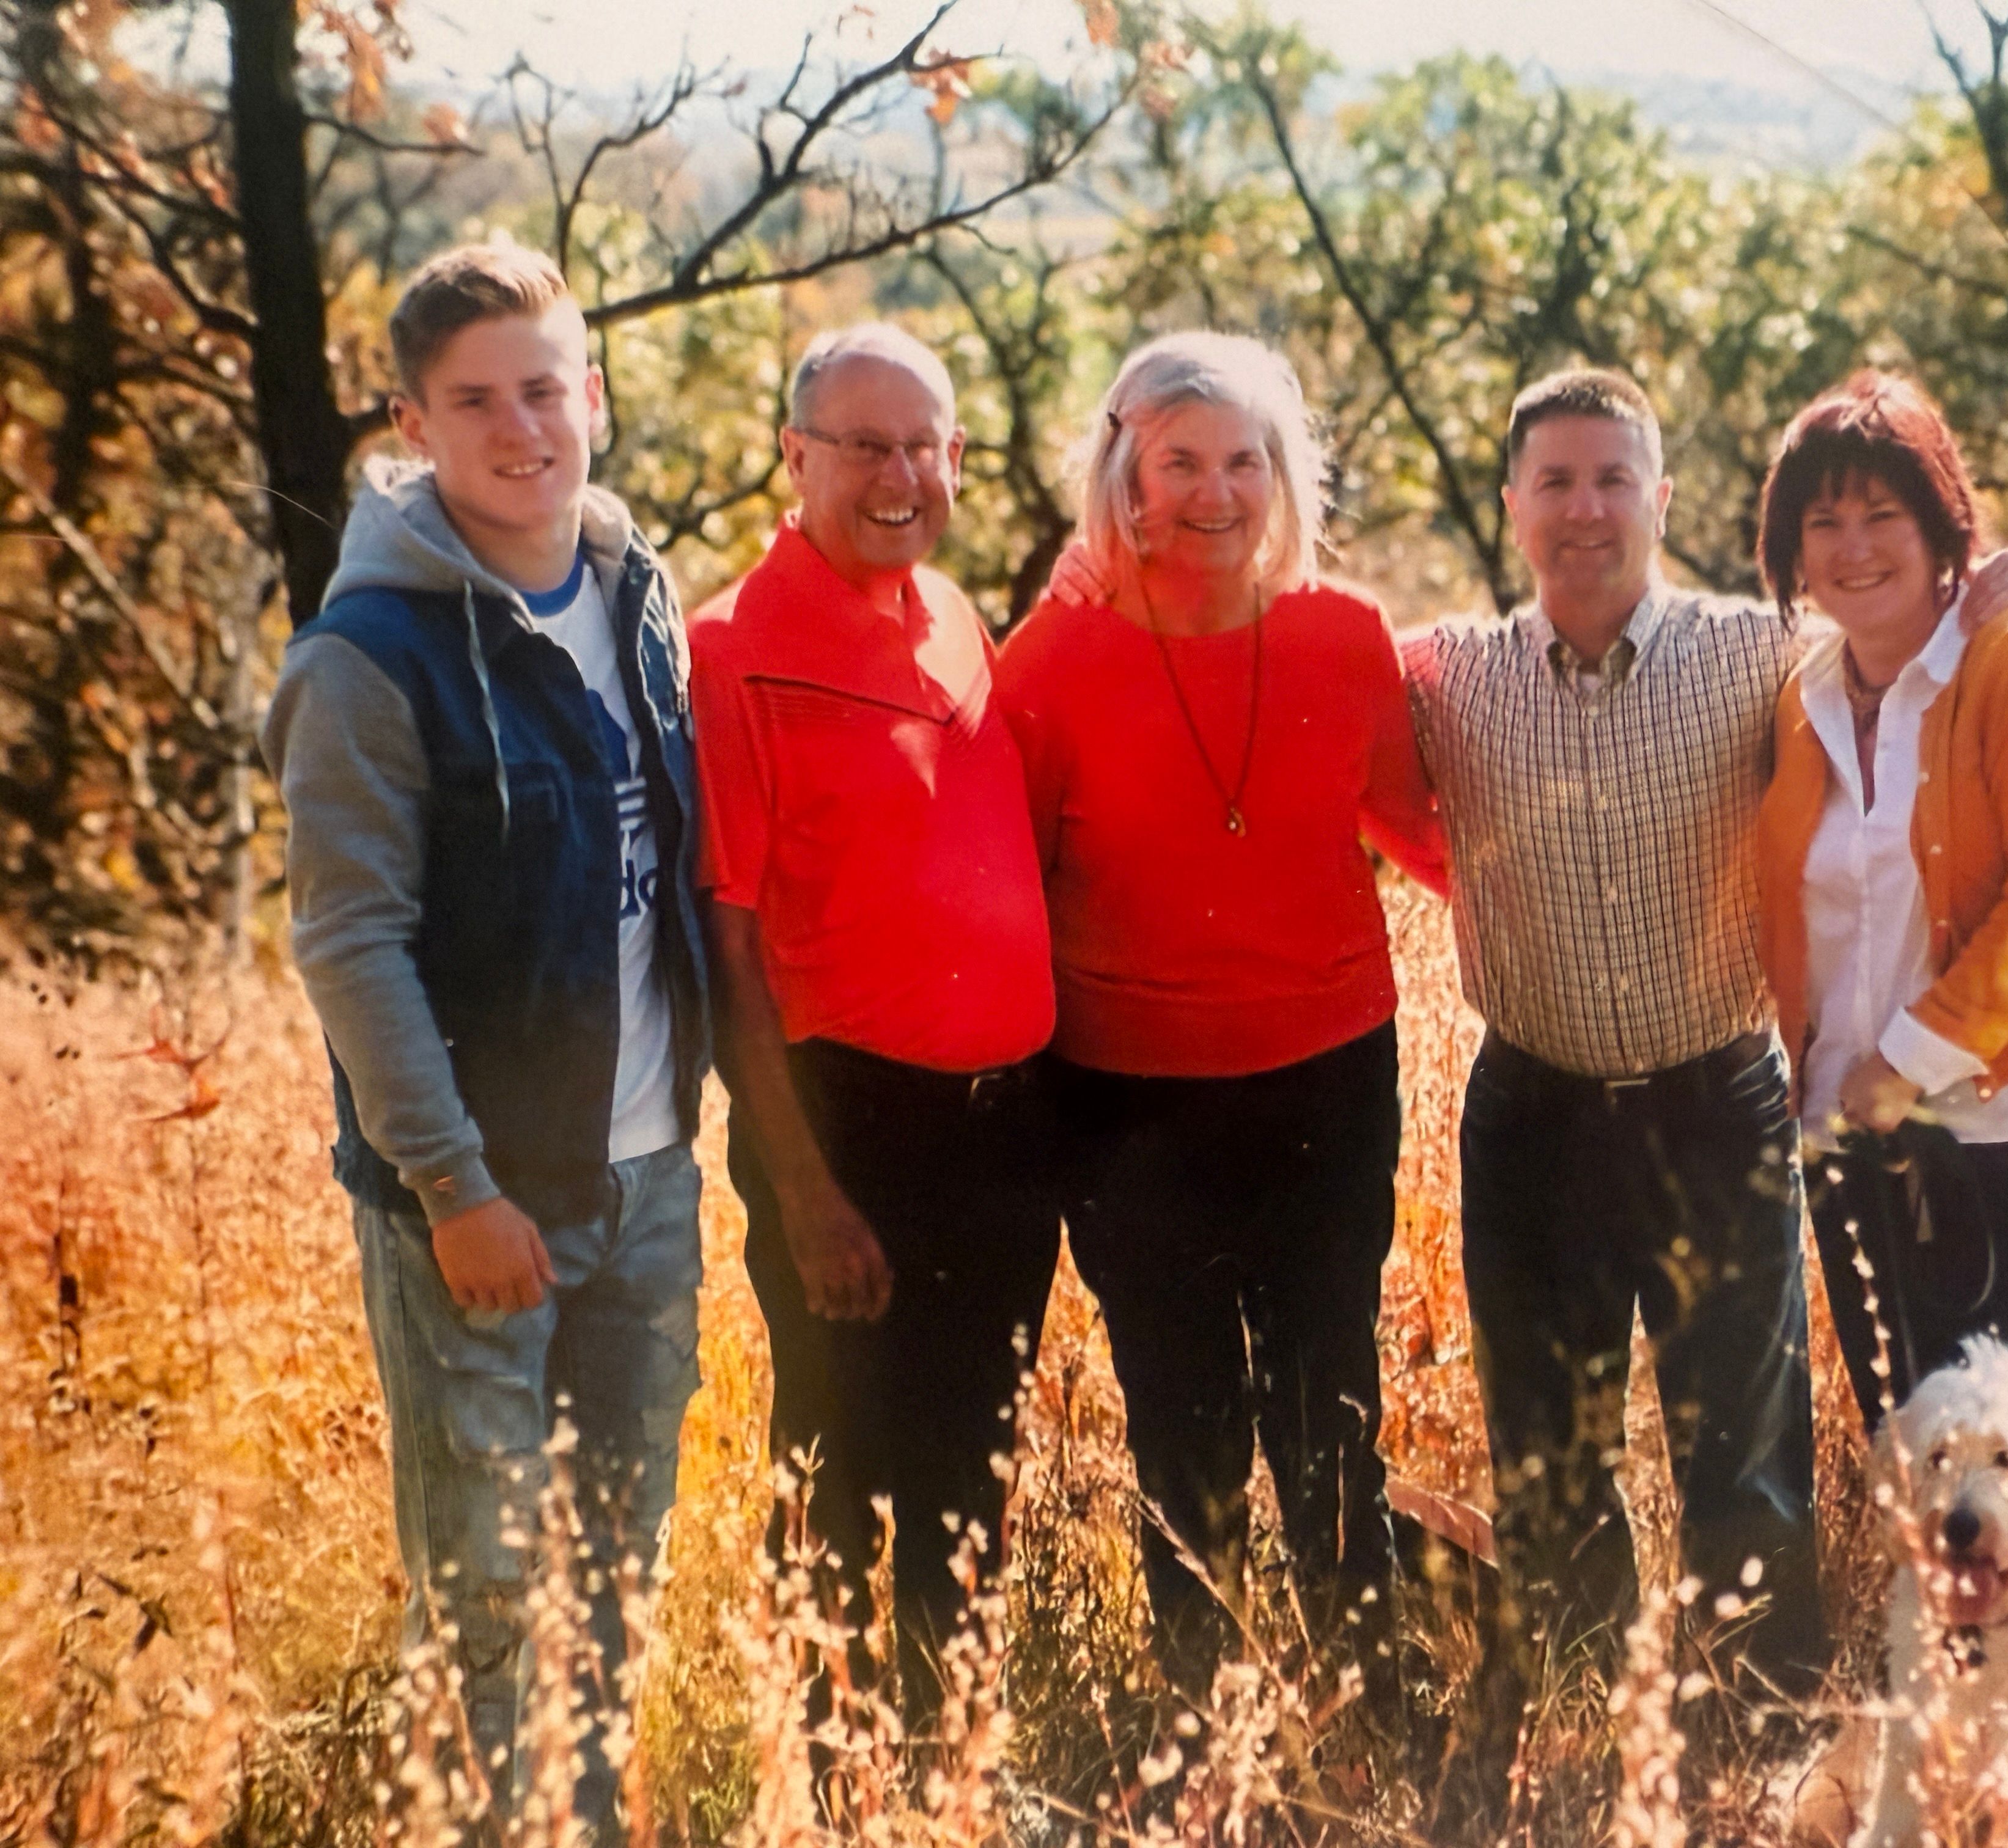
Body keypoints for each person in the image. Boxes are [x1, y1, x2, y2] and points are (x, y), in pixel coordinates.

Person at [1403, 367, 2008, 1798]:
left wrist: (2005, 589)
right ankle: (1591, 1743)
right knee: (1550, 1451)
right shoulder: (1442, 674)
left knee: (1743, 1456)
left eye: (1614, 478)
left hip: (1716, 1101)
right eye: (1556, 481)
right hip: (1534, 1112)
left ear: (1663, 496)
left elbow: (1910, 645)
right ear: (1513, 503)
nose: (1586, 510)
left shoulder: (1761, 656)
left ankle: (1755, 1752)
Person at [261, 243, 708, 1832]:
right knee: (489, 1600)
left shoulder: (636, 594)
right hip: (480, 1210)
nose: (523, 428)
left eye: (546, 387)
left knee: (617, 1578)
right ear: (413, 423)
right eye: (476, 402)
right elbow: (350, 947)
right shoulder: (365, 661)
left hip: (649, 1188)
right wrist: (454, 1188)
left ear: (590, 391)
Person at [996, 331, 1447, 1715]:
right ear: (1123, 470)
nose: (1212, 489)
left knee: (1332, 1400)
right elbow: (995, 878)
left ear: (1282, 475)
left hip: (1326, 1078)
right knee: (1182, 1413)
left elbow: (1432, 834)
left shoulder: (1343, 634)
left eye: (1241, 459)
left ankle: (1365, 1697)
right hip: (1128, 1104)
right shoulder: (1056, 655)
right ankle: (1200, 1715)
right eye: (1178, 460)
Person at [687, 324, 1061, 1733]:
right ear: (796, 458)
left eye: (927, 445)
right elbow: (726, 941)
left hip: (1000, 1121)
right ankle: (834, 1783)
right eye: (866, 445)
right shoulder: (736, 648)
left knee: (975, 1462)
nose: (903, 474)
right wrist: (805, 1195)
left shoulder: (955, 612)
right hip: (849, 1128)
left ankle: (952, 1768)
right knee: (839, 1470)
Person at [1753, 371, 2008, 1434]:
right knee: (1921, 1466)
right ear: (1791, 548)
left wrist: (1909, 1062)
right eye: (1823, 520)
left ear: (1943, 530)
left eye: (1884, 515)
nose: (1854, 546)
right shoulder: (1803, 703)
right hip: (1865, 1137)